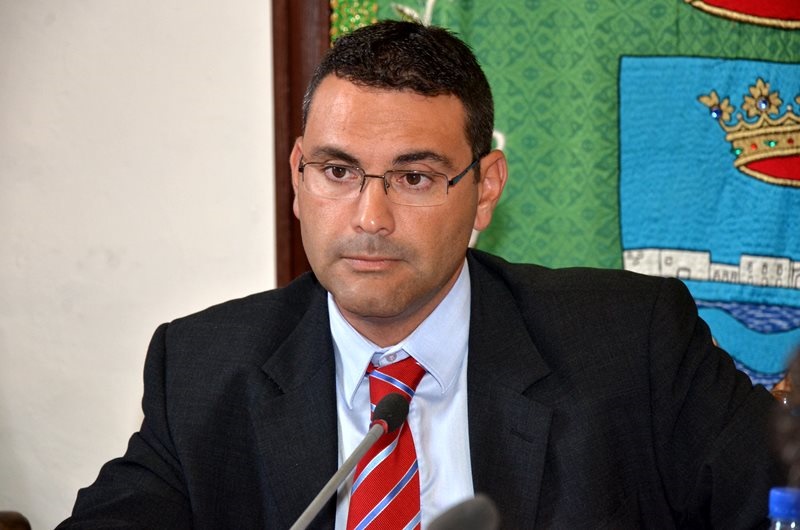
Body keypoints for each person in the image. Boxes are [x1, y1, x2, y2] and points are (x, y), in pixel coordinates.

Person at [58, 20, 780, 529]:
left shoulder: (629, 345)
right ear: (298, 175)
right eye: (337, 171)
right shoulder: (202, 371)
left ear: (485, 189)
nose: (369, 217)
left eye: (414, 178)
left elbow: (782, 500)